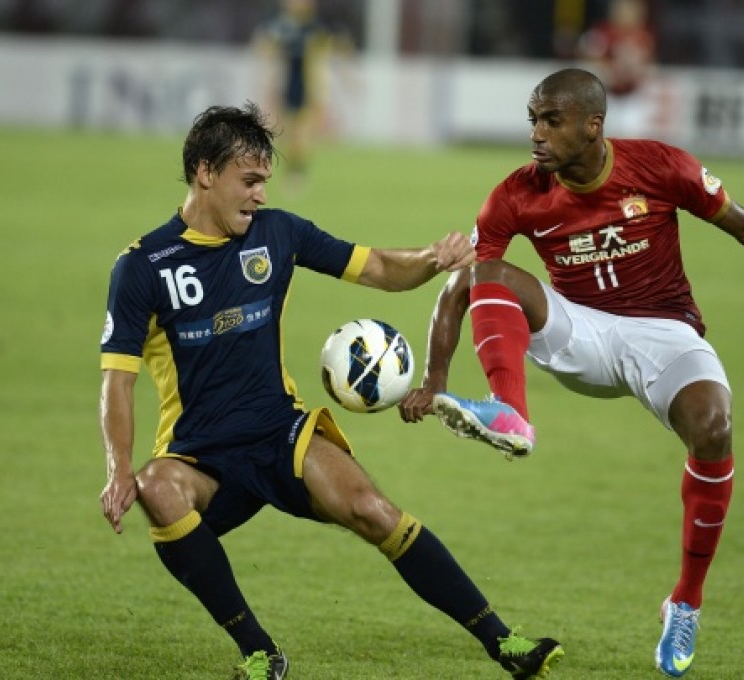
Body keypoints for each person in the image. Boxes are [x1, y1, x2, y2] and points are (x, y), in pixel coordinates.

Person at [398, 68, 744, 677]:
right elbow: (457, 285)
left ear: (592, 125)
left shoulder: (661, 166)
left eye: (551, 120)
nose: (537, 134)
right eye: (533, 120)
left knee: (713, 426)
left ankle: (685, 601)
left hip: (663, 331)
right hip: (579, 330)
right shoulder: (516, 194)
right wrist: (435, 382)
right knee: (485, 274)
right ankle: (512, 414)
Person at [98, 102, 564, 680]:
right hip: (200, 454)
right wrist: (119, 468)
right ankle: (259, 651)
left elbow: (376, 268)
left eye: (264, 182)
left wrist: (432, 260)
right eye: (249, 182)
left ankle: (505, 643)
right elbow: (117, 380)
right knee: (156, 487)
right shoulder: (144, 266)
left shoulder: (278, 233)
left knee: (373, 510)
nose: (260, 196)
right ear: (204, 173)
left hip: (280, 433)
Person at [252, 0, 341, 193]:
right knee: (286, 132)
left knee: (302, 133)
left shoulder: (316, 29)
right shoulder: (279, 26)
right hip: (286, 84)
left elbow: (324, 57)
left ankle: (296, 173)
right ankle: (291, 172)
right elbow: (264, 49)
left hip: (307, 87)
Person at [577, 0, 657, 138]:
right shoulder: (606, 31)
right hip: (609, 95)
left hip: (633, 97)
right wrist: (606, 70)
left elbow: (648, 64)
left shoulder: (643, 35)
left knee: (633, 140)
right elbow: (587, 52)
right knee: (602, 138)